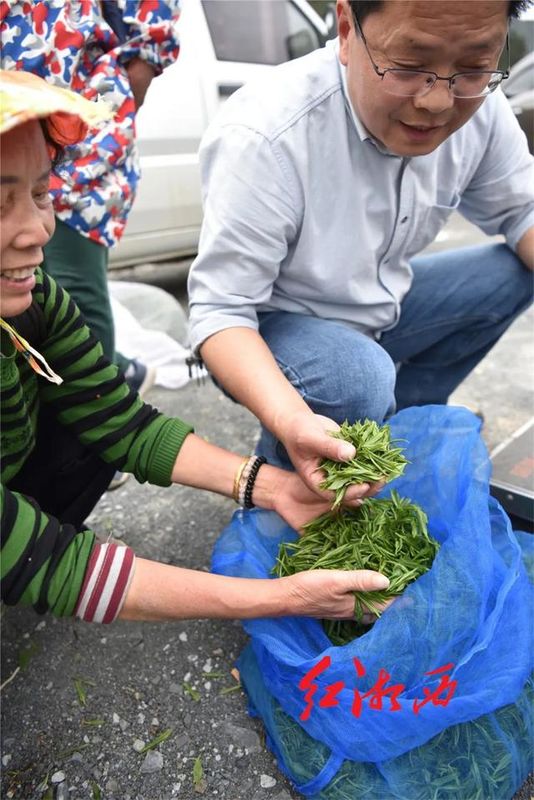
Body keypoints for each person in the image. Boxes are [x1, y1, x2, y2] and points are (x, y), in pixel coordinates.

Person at [0, 71, 390, 626]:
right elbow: (58, 567)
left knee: (87, 413)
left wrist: (275, 488)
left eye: (40, 193)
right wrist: (286, 598)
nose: (36, 230)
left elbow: (123, 424)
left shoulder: (35, 296)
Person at [187, 0, 534, 495]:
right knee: (356, 376)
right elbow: (221, 314)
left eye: (473, 67)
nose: (437, 102)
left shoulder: (482, 110)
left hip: (383, 306)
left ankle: (402, 426)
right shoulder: (267, 132)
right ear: (347, 28)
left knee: (512, 273)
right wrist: (290, 419)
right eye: (410, 66)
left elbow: (524, 212)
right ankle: (296, 465)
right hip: (276, 328)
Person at [0, 0, 182, 393]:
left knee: (69, 296)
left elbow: (153, 27)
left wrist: (107, 108)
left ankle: (98, 407)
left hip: (80, 143)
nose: (34, 231)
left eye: (40, 194)